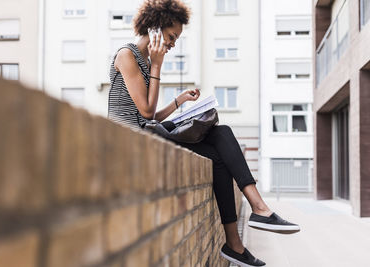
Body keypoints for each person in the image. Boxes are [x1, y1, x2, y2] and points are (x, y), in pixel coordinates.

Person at [108, 0, 300, 266]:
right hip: (135, 140)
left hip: (150, 130)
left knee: (221, 138)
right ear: (155, 28)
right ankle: (254, 218)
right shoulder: (127, 56)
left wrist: (180, 101)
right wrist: (157, 65)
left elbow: (148, 115)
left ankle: (246, 229)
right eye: (172, 36)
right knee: (221, 140)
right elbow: (147, 112)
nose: (173, 43)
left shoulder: (143, 58)